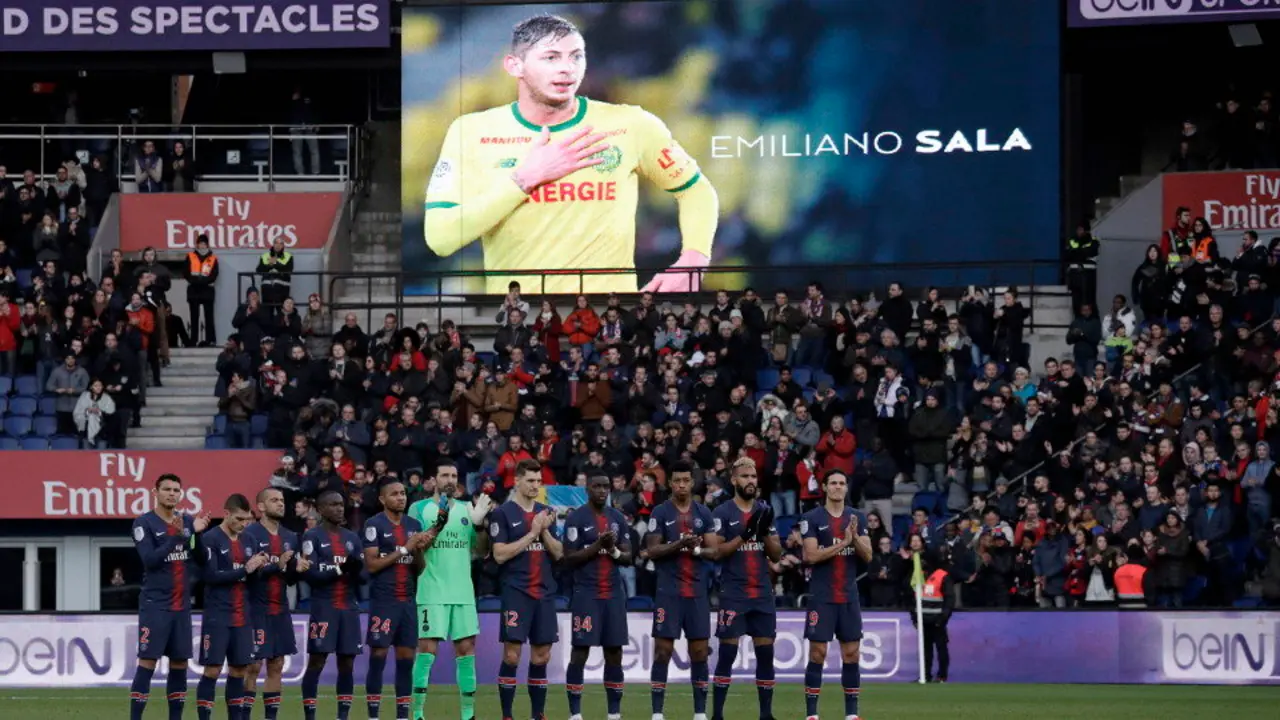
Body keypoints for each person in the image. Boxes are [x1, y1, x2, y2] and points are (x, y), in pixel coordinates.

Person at [422, 13, 719, 294]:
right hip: (522, 320)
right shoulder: (471, 131)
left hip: (608, 318)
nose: (567, 68)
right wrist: (523, 180)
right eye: (551, 57)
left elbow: (696, 190)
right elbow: (440, 238)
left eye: (576, 56)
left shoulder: (631, 124)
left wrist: (693, 260)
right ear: (514, 66)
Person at [406, 460, 492, 720]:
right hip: (431, 589)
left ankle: (468, 715)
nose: (450, 480)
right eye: (444, 475)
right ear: (434, 480)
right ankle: (417, 713)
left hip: (463, 592)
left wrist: (480, 525)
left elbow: (481, 551)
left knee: (466, 651)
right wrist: (437, 525)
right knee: (427, 652)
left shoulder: (468, 509)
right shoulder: (419, 509)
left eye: (454, 476)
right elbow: (413, 547)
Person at [705, 458, 782, 720]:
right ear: (734, 480)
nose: (751, 481)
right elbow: (717, 552)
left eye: (753, 476)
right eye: (745, 476)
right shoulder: (722, 512)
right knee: (727, 654)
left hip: (762, 593)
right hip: (734, 593)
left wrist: (763, 532)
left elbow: (776, 554)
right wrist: (746, 534)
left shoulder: (765, 510)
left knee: (766, 655)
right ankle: (717, 715)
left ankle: (766, 715)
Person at [129, 474, 210, 720]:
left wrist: (197, 535)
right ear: (155, 492)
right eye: (167, 489)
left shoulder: (187, 521)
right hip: (155, 605)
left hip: (181, 605)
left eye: (176, 490)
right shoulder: (143, 523)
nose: (172, 494)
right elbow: (150, 560)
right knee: (148, 662)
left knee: (180, 663)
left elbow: (202, 559)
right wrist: (178, 536)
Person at [490, 459, 564, 720]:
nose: (535, 485)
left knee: (542, 656)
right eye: (530, 480)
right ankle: (507, 715)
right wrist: (532, 533)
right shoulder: (503, 513)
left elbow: (559, 553)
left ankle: (537, 714)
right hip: (516, 592)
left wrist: (544, 532)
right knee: (512, 656)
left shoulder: (547, 512)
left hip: (544, 592)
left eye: (539, 481)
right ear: (517, 481)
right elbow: (499, 554)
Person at [645, 460, 716, 720]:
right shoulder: (660, 512)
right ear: (670, 483)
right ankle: (657, 713)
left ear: (692, 482)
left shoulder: (704, 513)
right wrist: (678, 544)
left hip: (696, 592)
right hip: (669, 592)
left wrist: (696, 548)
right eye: (677, 480)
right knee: (663, 651)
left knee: (699, 652)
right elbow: (652, 550)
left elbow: (714, 551)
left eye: (686, 480)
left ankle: (699, 713)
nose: (682, 485)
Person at [800, 469, 872, 720]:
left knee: (851, 653)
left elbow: (868, 555)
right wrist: (843, 542)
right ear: (824, 487)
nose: (838, 487)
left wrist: (855, 539)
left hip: (849, 596)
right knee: (818, 653)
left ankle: (851, 714)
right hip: (822, 597)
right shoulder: (811, 518)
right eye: (833, 483)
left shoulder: (857, 517)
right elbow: (810, 556)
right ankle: (812, 714)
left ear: (846, 488)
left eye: (842, 483)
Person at [562, 475, 633, 720]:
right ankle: (575, 714)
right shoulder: (576, 518)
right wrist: (597, 546)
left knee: (614, 652)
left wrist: (612, 549)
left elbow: (628, 557)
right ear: (587, 489)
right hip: (586, 594)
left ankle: (614, 714)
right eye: (597, 486)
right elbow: (569, 558)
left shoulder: (617, 518)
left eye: (605, 486)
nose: (602, 490)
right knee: (580, 651)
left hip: (613, 594)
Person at [196, 494, 269, 720]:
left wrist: (259, 569)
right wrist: (245, 570)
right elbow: (210, 576)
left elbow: (252, 580)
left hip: (242, 616)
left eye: (247, 519)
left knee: (239, 670)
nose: (244, 524)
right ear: (226, 514)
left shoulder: (249, 540)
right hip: (218, 615)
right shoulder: (210, 539)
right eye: (239, 519)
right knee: (213, 670)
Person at [362, 479, 428, 720]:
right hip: (384, 601)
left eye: (403, 493)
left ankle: (402, 716)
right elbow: (371, 565)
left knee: (406, 660)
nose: (401, 498)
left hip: (408, 602)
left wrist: (417, 550)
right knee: (378, 657)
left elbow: (419, 569)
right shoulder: (374, 524)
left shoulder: (414, 525)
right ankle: (373, 716)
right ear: (382, 499)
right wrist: (405, 548)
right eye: (394, 494)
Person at [242, 487, 307, 720]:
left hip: (280, 608)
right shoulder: (249, 534)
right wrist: (277, 564)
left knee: (277, 664)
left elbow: (289, 579)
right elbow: (249, 575)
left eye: (281, 500)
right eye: (274, 500)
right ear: (261, 506)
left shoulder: (290, 537)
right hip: (255, 609)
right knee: (252, 666)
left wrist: (297, 570)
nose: (280, 504)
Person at [301, 491, 365, 720]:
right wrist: (340, 569)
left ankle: (343, 716)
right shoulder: (312, 537)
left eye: (341, 504)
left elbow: (364, 579)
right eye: (334, 505)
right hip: (324, 607)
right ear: (320, 510)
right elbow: (311, 576)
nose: (339, 508)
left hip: (348, 607)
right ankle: (310, 716)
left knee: (347, 662)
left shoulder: (352, 538)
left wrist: (357, 569)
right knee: (317, 661)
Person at [914, 549, 955, 683]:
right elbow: (914, 599)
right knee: (925, 650)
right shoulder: (919, 576)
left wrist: (943, 618)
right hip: (923, 621)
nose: (922, 563)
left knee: (941, 648)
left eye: (924, 560)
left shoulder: (942, 576)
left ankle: (942, 676)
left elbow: (949, 599)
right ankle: (925, 675)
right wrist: (915, 618)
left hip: (938, 620)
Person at [185, 234, 219, 347]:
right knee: (194, 317)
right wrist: (196, 281)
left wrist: (202, 281)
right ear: (197, 245)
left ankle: (210, 340)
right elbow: (185, 273)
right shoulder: (190, 256)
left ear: (207, 245)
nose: (202, 246)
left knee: (209, 317)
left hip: (207, 290)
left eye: (204, 244)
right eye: (200, 243)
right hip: (193, 290)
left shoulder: (213, 258)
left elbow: (214, 274)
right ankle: (193, 340)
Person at [257, 237, 294, 307]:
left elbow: (289, 270)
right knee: (267, 311)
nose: (278, 245)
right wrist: (269, 265)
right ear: (273, 244)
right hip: (267, 289)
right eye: (276, 243)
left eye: (280, 244)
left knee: (282, 310)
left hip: (282, 289)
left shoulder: (288, 256)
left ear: (283, 246)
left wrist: (276, 264)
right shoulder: (265, 256)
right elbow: (259, 270)